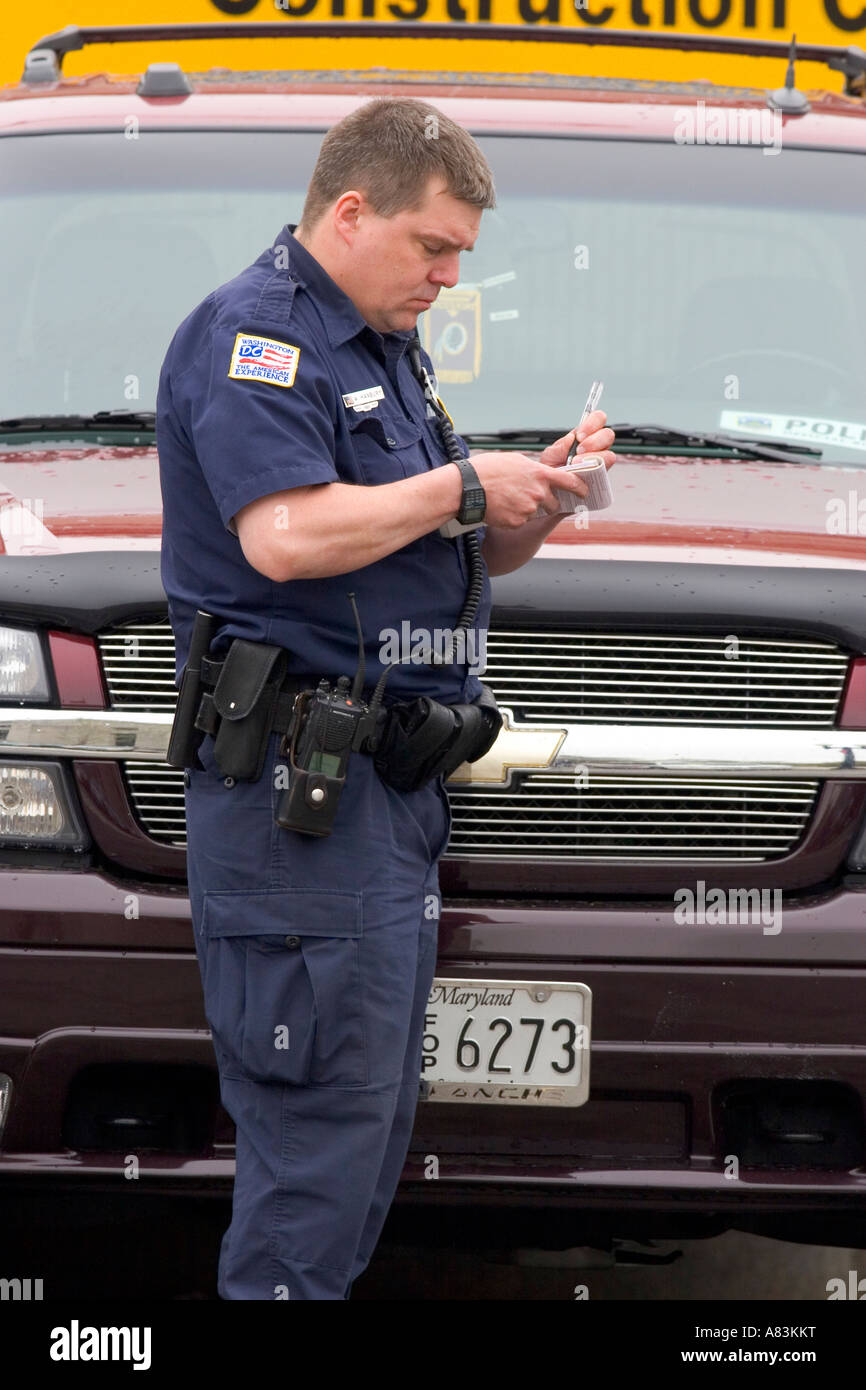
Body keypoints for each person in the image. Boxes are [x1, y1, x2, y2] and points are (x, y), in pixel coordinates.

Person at [156, 95, 615, 1301]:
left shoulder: (378, 350)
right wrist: (465, 483)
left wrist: (536, 499)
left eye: (460, 253)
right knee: (314, 1150)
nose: (451, 276)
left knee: (359, 1139)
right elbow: (287, 537)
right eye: (432, 246)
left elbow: (435, 546)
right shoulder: (258, 337)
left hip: (382, 799)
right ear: (348, 213)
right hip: (297, 801)